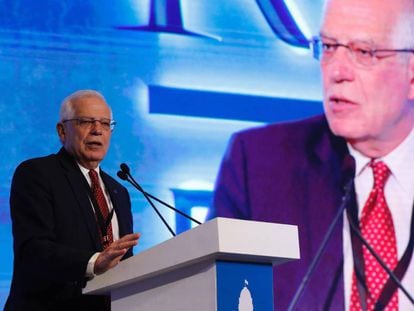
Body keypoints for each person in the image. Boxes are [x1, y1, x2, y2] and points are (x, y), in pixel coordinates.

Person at [212, 0, 414, 309]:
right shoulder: (259, 164)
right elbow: (219, 300)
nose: (337, 71)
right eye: (329, 47)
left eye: (363, 52)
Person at [5, 90, 140, 310]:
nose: (97, 130)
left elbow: (121, 260)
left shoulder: (119, 192)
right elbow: (33, 250)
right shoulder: (37, 174)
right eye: (86, 121)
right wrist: (94, 262)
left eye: (105, 124)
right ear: (62, 131)